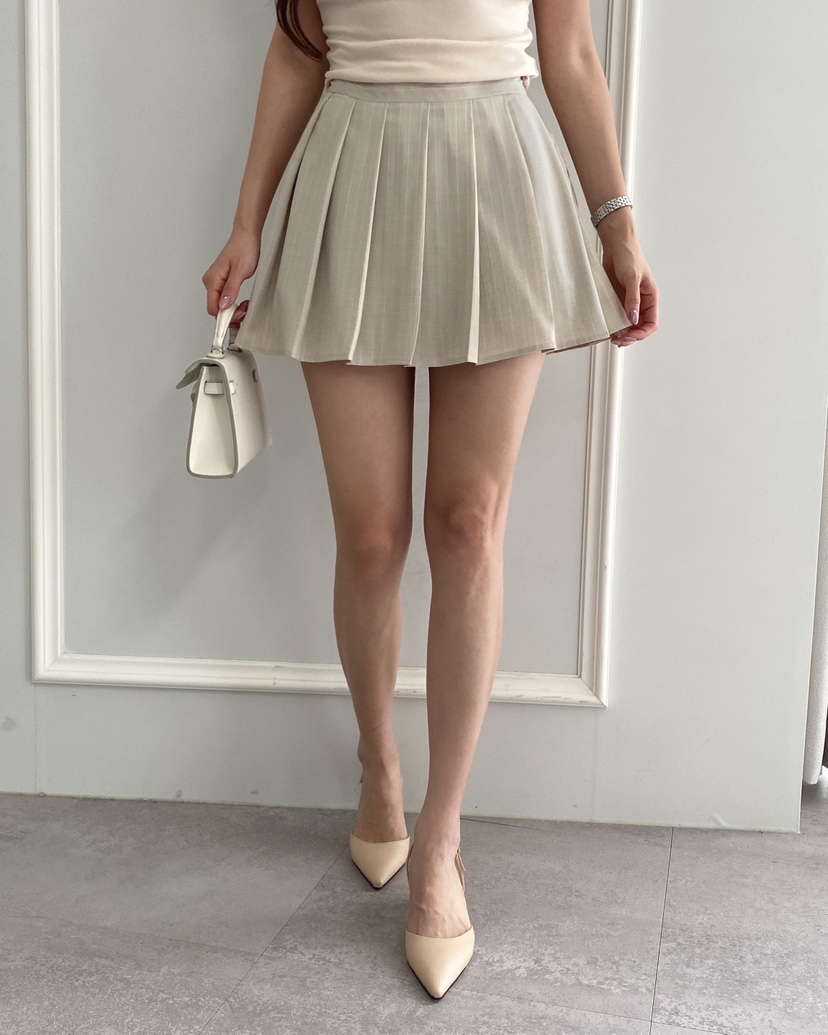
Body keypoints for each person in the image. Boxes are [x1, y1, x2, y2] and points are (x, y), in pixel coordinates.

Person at [202, 0, 659, 999]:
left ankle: (442, 840)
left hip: (500, 175)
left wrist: (617, 221)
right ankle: (380, 768)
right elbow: (298, 51)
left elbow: (571, 54)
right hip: (349, 175)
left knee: (468, 525)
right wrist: (245, 223)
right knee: (371, 536)